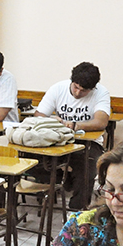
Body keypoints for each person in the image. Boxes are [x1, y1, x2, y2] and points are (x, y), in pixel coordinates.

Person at [35, 62, 110, 210]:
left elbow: (101, 122)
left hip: (87, 143)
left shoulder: (101, 92)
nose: (77, 93)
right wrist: (52, 120)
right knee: (35, 162)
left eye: (83, 91)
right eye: (76, 87)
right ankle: (65, 180)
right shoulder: (57, 89)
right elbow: (39, 115)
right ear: (71, 81)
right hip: (59, 140)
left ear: (92, 88)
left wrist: (77, 125)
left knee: (86, 171)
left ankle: (76, 212)